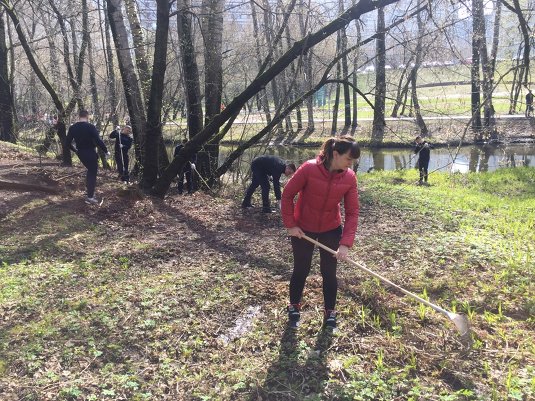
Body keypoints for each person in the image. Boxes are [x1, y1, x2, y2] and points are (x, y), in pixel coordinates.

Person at [281, 136, 360, 330]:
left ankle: (330, 311)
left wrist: (345, 243)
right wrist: (291, 224)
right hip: (303, 227)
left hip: (331, 228)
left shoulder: (349, 177)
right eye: (349, 159)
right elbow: (287, 194)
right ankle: (294, 306)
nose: (351, 164)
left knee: (329, 272)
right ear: (335, 154)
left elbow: (352, 212)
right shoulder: (308, 168)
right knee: (301, 269)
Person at [65, 110, 109, 204]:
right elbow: (98, 140)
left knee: (90, 171)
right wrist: (106, 150)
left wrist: (75, 150)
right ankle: (90, 197)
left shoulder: (73, 127)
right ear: (87, 116)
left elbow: (67, 143)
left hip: (81, 152)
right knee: (92, 172)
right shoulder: (90, 127)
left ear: (79, 116)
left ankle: (90, 192)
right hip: (90, 152)